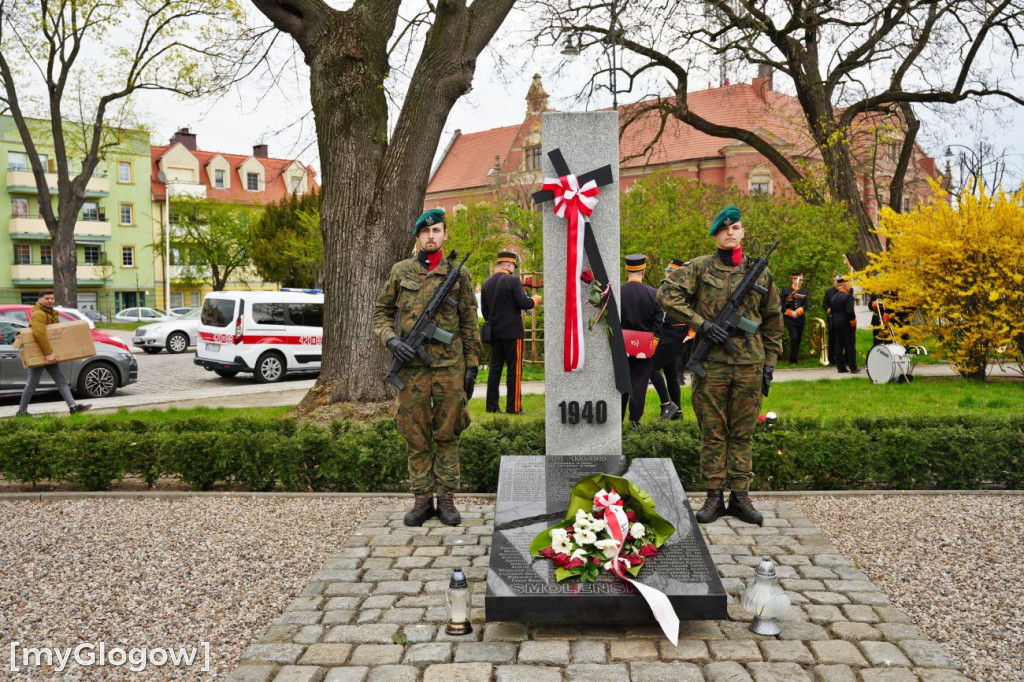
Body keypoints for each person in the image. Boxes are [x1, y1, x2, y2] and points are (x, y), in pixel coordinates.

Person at [656, 205, 783, 526]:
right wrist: (700, 323)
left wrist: (770, 363)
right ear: (715, 234)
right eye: (724, 228)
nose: (731, 232)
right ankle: (714, 497)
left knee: (742, 432)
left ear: (743, 232)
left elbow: (772, 320)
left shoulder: (761, 272)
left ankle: (741, 497)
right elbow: (667, 294)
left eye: (736, 227)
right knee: (712, 432)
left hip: (750, 365)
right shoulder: (699, 268)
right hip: (711, 366)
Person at [372, 208, 480, 527]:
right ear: (418, 237)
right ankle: (422, 500)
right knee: (415, 434)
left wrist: (472, 366)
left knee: (448, 432)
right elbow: (380, 313)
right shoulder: (400, 271)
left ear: (445, 235)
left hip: (449, 368)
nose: (431, 237)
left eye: (437, 231)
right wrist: (391, 340)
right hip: (411, 371)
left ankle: (445, 499)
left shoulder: (458, 275)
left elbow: (469, 324)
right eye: (425, 232)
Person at [481, 251, 541, 414]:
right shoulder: (513, 281)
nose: (513, 269)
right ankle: (513, 408)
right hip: (512, 333)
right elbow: (524, 303)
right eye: (513, 266)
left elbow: (485, 312)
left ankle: (492, 407)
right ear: (508, 264)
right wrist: (536, 299)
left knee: (495, 370)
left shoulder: (486, 284)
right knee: (514, 371)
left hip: (494, 333)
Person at [16, 291, 92, 417]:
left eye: (52, 298)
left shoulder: (50, 312)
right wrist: (48, 353)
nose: (50, 301)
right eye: (47, 298)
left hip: (48, 353)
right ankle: (21, 412)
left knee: (60, 380)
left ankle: (73, 408)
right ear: (40, 300)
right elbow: (40, 334)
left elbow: (55, 334)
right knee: (32, 383)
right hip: (41, 354)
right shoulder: (39, 314)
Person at [619, 254, 664, 428]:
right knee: (640, 383)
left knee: (622, 382)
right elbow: (658, 323)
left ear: (626, 271)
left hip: (621, 345)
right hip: (645, 345)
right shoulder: (654, 294)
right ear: (643, 271)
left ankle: (617, 419)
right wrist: (654, 342)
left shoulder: (617, 291)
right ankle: (634, 421)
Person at [649, 259, 692, 420]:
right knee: (671, 375)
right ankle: (678, 412)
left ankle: (667, 405)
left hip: (673, 336)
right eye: (667, 271)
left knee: (650, 368)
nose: (667, 273)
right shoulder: (668, 287)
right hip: (669, 335)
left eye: (671, 272)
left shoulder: (682, 290)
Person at [830, 276, 860, 374]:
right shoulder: (848, 297)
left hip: (835, 323)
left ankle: (840, 367)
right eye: (848, 285)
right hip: (846, 323)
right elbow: (850, 311)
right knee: (849, 345)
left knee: (838, 345)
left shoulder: (834, 297)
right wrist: (853, 321)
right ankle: (853, 367)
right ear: (845, 286)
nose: (849, 287)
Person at [780, 272, 809, 364]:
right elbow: (780, 304)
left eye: (801, 280)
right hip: (790, 319)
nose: (800, 282)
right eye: (798, 280)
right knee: (794, 337)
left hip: (800, 318)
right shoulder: (786, 291)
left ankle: (795, 358)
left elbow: (806, 304)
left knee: (798, 339)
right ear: (793, 280)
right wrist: (790, 312)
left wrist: (799, 311)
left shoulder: (805, 292)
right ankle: (792, 359)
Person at [823, 275, 840, 366]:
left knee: (842, 340)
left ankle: (841, 359)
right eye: (836, 280)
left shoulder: (845, 291)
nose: (838, 282)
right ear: (834, 281)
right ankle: (831, 359)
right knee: (832, 339)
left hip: (841, 318)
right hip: (832, 318)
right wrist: (828, 309)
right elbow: (824, 304)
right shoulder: (829, 291)